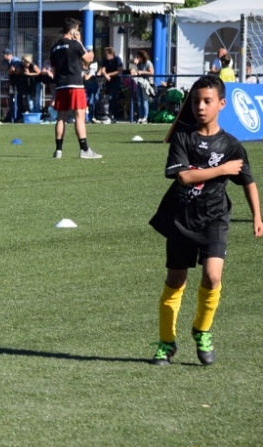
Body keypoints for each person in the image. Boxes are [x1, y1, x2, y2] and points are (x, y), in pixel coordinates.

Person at [148, 75, 262, 366]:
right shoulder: (182, 137)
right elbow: (184, 177)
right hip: (182, 218)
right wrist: (222, 169)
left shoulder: (231, 145)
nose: (200, 106)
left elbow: (248, 180)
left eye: (207, 101)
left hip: (215, 219)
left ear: (221, 104)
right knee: (176, 280)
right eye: (196, 101)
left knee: (212, 277)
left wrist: (257, 216)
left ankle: (202, 330)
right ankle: (166, 342)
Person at [50, 19, 101, 159]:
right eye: (77, 30)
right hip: (75, 84)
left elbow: (53, 68)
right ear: (73, 31)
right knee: (80, 116)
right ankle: (84, 150)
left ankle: (58, 150)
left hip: (61, 85)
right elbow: (88, 59)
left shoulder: (54, 47)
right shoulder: (75, 44)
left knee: (61, 117)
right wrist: (79, 41)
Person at [97, 46, 123, 121]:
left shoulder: (117, 59)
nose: (105, 56)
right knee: (108, 97)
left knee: (112, 96)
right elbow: (103, 70)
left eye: (106, 54)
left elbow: (119, 71)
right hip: (108, 81)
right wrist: (105, 75)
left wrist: (109, 74)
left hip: (116, 80)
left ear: (111, 54)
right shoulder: (105, 60)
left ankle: (114, 115)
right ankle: (109, 115)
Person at [130, 50, 155, 124]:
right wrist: (134, 61)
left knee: (144, 100)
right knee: (139, 100)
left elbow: (151, 72)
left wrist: (142, 72)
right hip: (140, 82)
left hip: (146, 83)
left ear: (141, 57)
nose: (137, 58)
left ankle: (145, 117)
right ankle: (140, 117)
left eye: (138, 57)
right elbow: (130, 61)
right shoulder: (138, 63)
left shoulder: (148, 62)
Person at [2, 48, 22, 122]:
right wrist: (11, 70)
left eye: (4, 55)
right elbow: (8, 71)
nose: (3, 56)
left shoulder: (16, 60)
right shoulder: (4, 61)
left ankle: (18, 116)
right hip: (11, 83)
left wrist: (12, 70)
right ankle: (12, 116)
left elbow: (18, 71)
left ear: (8, 55)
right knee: (11, 100)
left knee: (18, 100)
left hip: (18, 83)